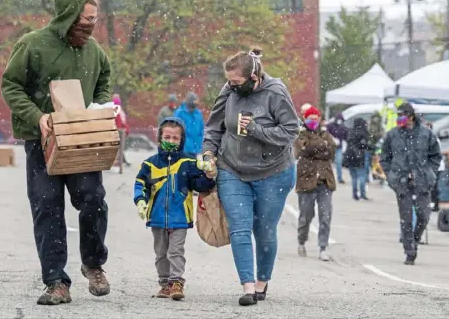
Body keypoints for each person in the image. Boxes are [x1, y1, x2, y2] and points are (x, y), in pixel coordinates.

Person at [1, 0, 112, 304]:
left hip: (81, 139)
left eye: (94, 18)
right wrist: (37, 116)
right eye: (88, 18)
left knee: (93, 199)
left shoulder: (94, 51)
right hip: (41, 142)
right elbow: (10, 84)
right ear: (70, 16)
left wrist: (100, 108)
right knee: (47, 208)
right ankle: (56, 282)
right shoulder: (32, 45)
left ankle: (93, 264)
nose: (92, 24)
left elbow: (104, 77)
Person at [202, 47, 299, 306]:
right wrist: (209, 152)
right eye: (229, 82)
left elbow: (291, 131)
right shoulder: (229, 91)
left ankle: (262, 281)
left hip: (273, 172)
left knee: (264, 231)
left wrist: (255, 129)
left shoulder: (275, 93)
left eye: (236, 82)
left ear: (253, 76)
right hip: (232, 168)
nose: (231, 87)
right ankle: (247, 286)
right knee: (239, 228)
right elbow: (214, 126)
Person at [134, 117, 216, 300]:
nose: (171, 141)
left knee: (176, 251)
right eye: (167, 137)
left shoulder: (188, 161)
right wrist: (140, 200)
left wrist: (209, 176)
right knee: (161, 253)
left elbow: (198, 184)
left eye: (175, 138)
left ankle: (177, 282)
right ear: (160, 137)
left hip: (180, 216)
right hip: (156, 216)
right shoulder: (150, 164)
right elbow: (141, 184)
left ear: (181, 140)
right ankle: (164, 284)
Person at [380, 102, 442, 265]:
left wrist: (430, 173)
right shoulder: (392, 135)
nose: (400, 118)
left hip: (422, 181)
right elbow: (384, 157)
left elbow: (435, 156)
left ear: (411, 116)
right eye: (398, 115)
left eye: (402, 115)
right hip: (401, 182)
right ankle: (409, 251)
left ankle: (415, 239)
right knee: (406, 218)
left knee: (423, 215)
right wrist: (390, 175)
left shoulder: (426, 134)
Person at [294, 106, 336, 261]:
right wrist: (321, 146)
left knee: (325, 215)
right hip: (306, 181)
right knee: (306, 215)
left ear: (320, 119)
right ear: (305, 119)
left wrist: (315, 147)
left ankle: (323, 247)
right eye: (310, 118)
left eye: (315, 118)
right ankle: (301, 240)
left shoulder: (326, 135)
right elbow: (301, 150)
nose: (313, 121)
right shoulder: (300, 134)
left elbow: (331, 151)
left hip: (325, 181)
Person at [344, 118, 373, 201]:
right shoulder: (363, 133)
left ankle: (354, 194)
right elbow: (364, 145)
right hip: (359, 156)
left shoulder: (351, 132)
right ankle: (362, 194)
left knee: (354, 177)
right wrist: (372, 147)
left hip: (350, 156)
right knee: (362, 176)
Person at [326, 112, 348, 184]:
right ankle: (327, 177)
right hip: (330, 147)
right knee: (328, 163)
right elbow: (326, 133)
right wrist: (332, 139)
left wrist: (343, 143)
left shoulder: (343, 127)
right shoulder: (330, 126)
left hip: (339, 147)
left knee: (339, 163)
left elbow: (346, 137)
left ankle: (339, 178)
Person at [112, 94, 131, 167]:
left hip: (122, 131)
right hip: (118, 131)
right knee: (118, 147)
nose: (117, 100)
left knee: (120, 147)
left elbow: (123, 121)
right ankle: (118, 161)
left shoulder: (120, 109)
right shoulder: (115, 109)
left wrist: (126, 129)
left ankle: (122, 160)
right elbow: (116, 121)